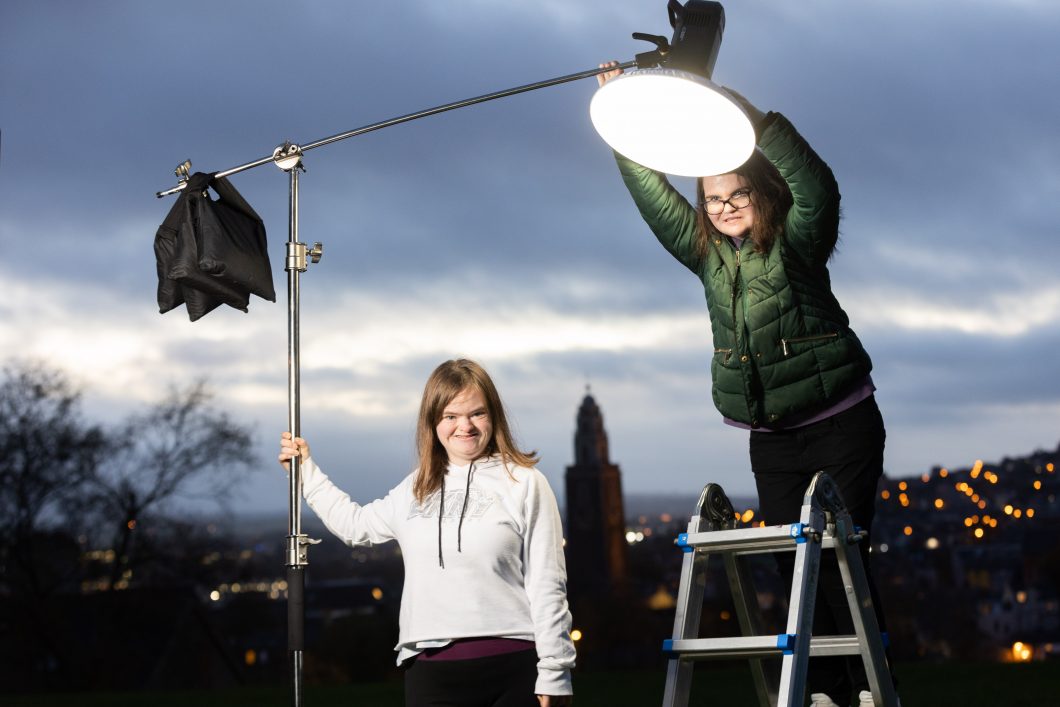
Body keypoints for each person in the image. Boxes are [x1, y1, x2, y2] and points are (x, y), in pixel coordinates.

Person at [597, 63, 897, 707]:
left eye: (737, 195)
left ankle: (866, 690)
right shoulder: (706, 256)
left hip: (841, 422)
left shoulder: (796, 241)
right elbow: (655, 196)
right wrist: (624, 121)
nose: (725, 207)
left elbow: (817, 188)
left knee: (841, 562)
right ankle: (820, 691)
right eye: (712, 199)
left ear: (760, 194)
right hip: (772, 438)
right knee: (795, 570)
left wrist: (751, 120)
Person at [278, 359, 575, 707]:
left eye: (476, 413)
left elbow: (547, 582)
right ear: (433, 422)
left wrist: (555, 672)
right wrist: (306, 473)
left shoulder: (524, 482)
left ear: (494, 416)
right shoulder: (416, 487)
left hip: (514, 668)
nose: (465, 426)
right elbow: (355, 526)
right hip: (431, 674)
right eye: (450, 416)